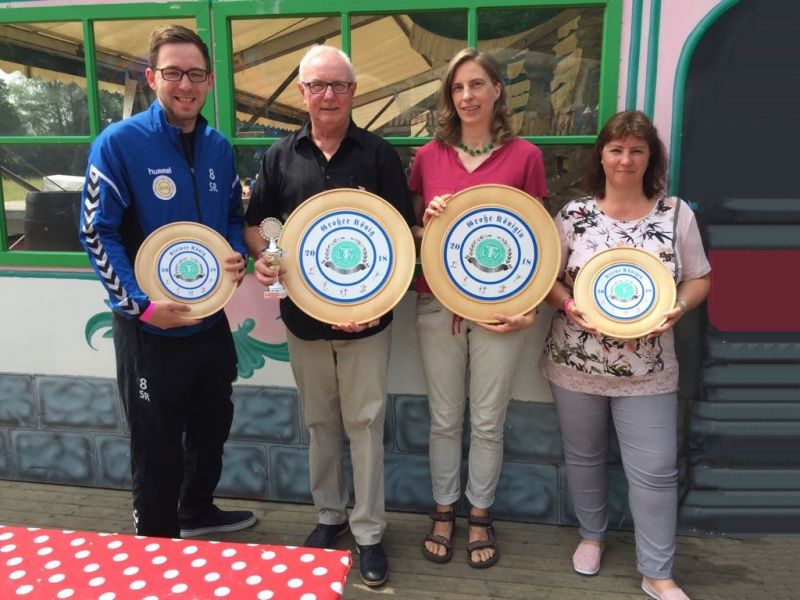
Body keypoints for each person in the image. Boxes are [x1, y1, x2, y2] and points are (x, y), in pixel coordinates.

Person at [243, 45, 415, 587]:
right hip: (303, 318)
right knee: (320, 423)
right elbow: (260, 224)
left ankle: (369, 531)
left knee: (364, 424)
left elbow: (402, 239)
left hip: (369, 322)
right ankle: (330, 516)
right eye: (317, 85)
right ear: (302, 93)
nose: (328, 95)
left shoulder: (380, 155)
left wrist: (372, 304)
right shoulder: (278, 157)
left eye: (339, 85)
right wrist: (265, 256)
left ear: (353, 92)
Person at [79, 25, 255, 539]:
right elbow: (96, 231)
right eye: (173, 73)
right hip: (149, 328)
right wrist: (140, 305)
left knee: (212, 424)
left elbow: (232, 215)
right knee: (156, 443)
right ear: (152, 77)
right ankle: (156, 541)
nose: (186, 85)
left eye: (196, 74)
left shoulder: (219, 147)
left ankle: (195, 511)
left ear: (210, 81)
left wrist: (235, 253)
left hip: (209, 322)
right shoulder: (119, 144)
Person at [539, 110, 711, 600]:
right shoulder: (574, 215)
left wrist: (680, 306)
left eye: (637, 150)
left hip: (648, 369)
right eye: (616, 149)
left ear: (650, 157)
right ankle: (591, 536)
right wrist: (567, 304)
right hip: (576, 362)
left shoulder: (676, 214)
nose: (625, 159)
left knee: (656, 469)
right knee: (584, 456)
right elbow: (545, 278)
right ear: (601, 156)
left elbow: (699, 277)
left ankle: (657, 572)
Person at [411, 48, 547, 568]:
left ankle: (480, 514)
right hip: (436, 303)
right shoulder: (428, 157)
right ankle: (443, 510)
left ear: (497, 91)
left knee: (489, 420)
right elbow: (411, 233)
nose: (467, 96)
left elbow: (538, 240)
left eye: (476, 85)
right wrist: (428, 221)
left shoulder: (526, 157)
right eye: (457, 88)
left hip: (501, 309)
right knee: (444, 419)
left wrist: (531, 309)